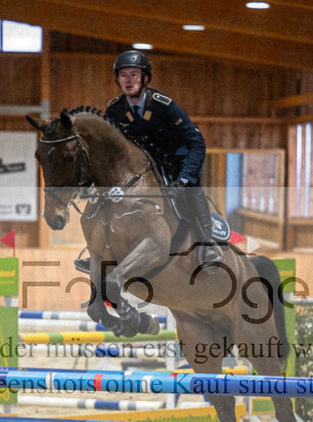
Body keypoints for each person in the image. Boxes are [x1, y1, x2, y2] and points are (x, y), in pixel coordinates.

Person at [75, 50, 221, 272]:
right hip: (140, 167)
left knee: (192, 191)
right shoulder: (115, 109)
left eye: (134, 74)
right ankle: (98, 249)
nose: (128, 80)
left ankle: (207, 244)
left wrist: (183, 180)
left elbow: (196, 143)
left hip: (175, 163)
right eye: (123, 75)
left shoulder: (164, 106)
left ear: (145, 78)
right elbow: (108, 151)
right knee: (104, 197)